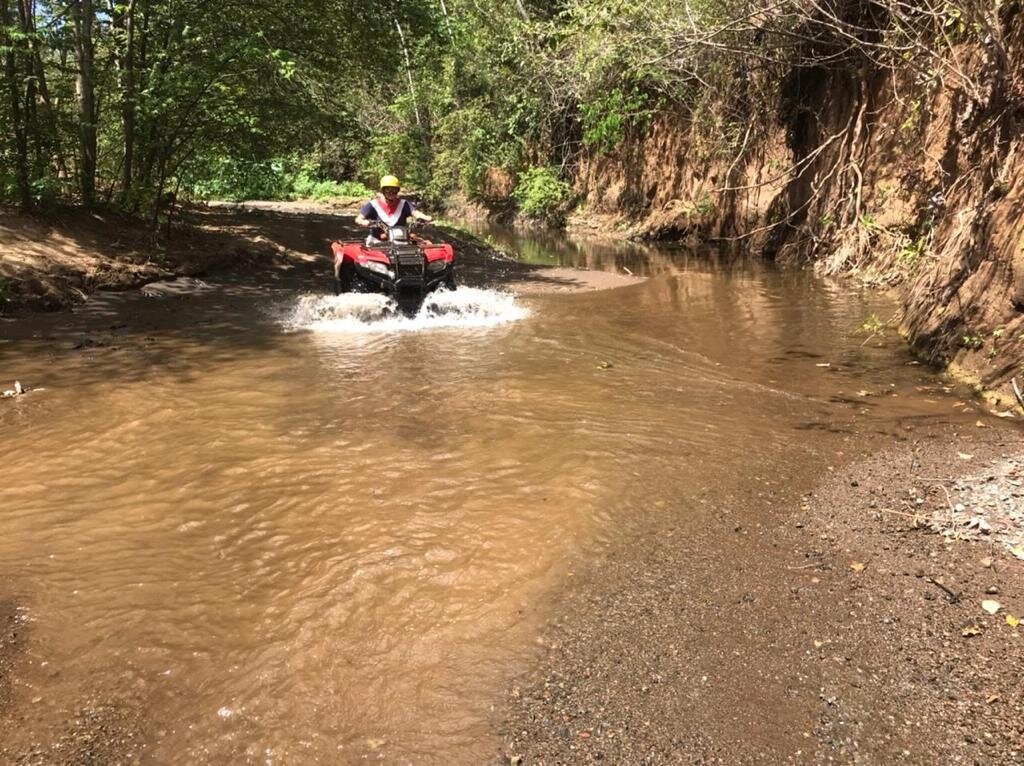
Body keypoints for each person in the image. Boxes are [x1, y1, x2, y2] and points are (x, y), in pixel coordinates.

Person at [354, 175, 433, 240]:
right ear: (383, 191)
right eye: (388, 190)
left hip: (401, 239)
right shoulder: (373, 204)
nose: (391, 193)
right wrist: (364, 222)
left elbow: (415, 212)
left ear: (397, 191)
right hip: (377, 240)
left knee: (416, 241)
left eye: (394, 190)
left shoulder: (403, 204)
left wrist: (425, 217)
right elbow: (358, 219)